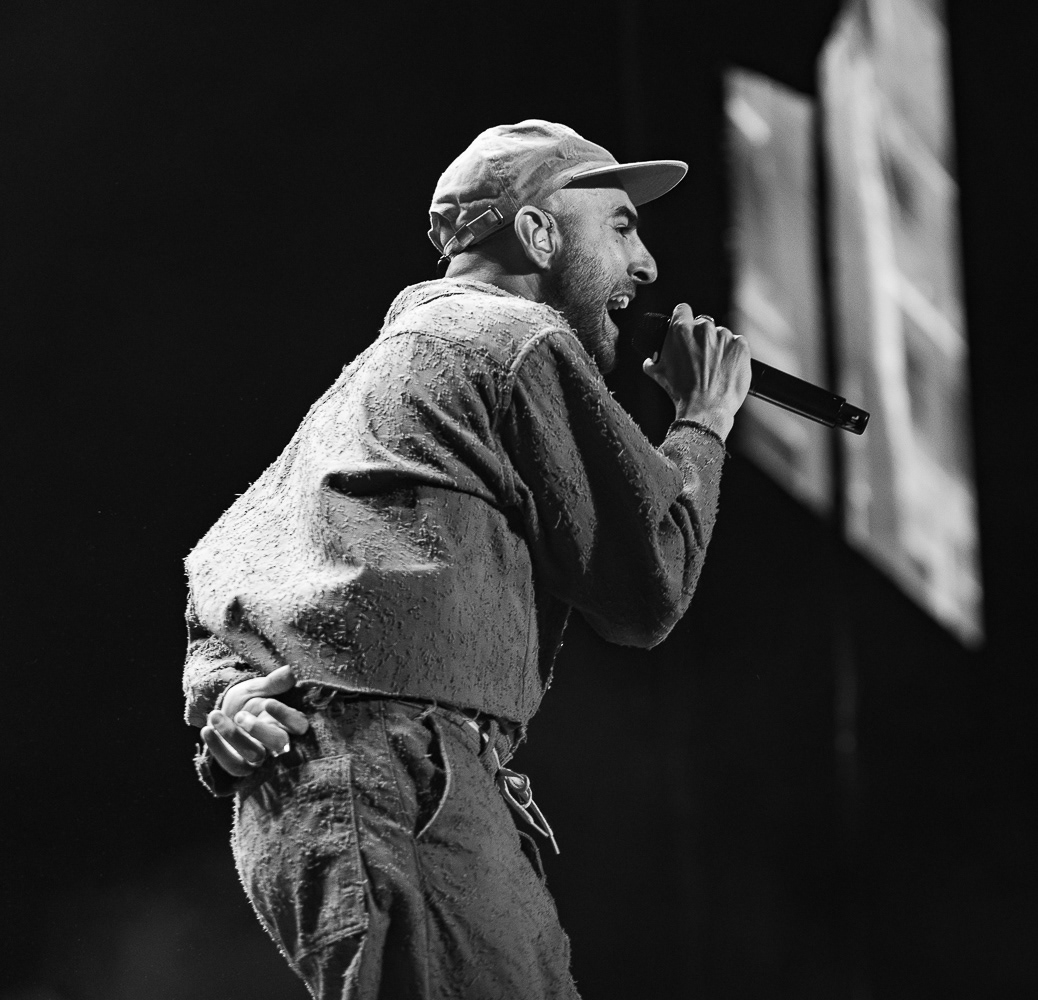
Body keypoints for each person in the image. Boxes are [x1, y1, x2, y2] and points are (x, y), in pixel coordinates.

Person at [181, 120, 751, 999]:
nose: (646, 267)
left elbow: (220, 568)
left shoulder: (371, 384)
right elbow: (649, 584)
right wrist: (703, 419)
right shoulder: (511, 336)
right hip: (405, 777)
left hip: (346, 788)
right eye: (622, 228)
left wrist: (225, 702)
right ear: (539, 233)